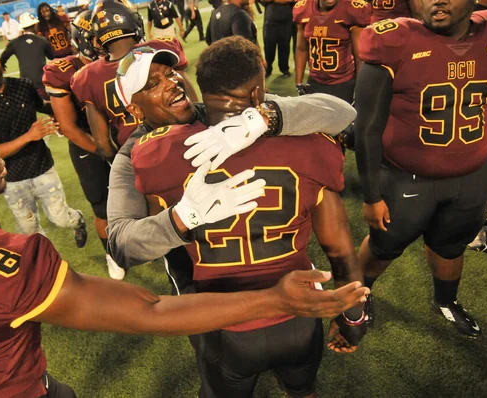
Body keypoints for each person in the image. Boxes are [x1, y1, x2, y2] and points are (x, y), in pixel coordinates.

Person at [0, 106, 370, 398]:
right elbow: (149, 308)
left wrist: (264, 115)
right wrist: (277, 300)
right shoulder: (2, 265)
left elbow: (337, 111)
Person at [128, 37, 366, 397]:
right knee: (303, 391)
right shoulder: (314, 145)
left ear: (201, 90)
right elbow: (341, 250)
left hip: (225, 316)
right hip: (300, 309)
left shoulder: (157, 154)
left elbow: (169, 241)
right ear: (258, 93)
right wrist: (354, 317)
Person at [354, 2, 487, 338]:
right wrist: (371, 196)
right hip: (407, 176)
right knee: (384, 245)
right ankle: (357, 297)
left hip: (472, 174)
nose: (436, 1)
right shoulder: (395, 40)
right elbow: (367, 127)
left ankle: (446, 300)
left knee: (451, 245)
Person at [0, 45, 87, 247]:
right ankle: (49, 266)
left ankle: (79, 220)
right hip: (11, 179)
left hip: (42, 167)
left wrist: (64, 115)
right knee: (31, 231)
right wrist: (30, 136)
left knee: (61, 218)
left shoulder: (23, 85)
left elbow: (43, 106)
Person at [42, 11, 124, 280]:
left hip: (123, 137)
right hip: (89, 145)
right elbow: (68, 127)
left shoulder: (124, 59)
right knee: (102, 206)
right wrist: (107, 153)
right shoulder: (62, 72)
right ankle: (112, 253)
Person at [70, 0, 198, 159]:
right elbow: (193, 105)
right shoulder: (161, 48)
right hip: (184, 140)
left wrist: (123, 163)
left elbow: (104, 145)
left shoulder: (88, 76)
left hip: (137, 154)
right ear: (130, 20)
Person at [293, 0, 371, 103]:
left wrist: (360, 89)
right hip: (314, 81)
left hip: (342, 83)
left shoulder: (351, 10)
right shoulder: (304, 8)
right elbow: (301, 49)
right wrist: (298, 82)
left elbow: (360, 57)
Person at [0, 13, 54, 101]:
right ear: (35, 25)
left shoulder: (15, 43)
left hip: (24, 84)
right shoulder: (42, 40)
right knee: (49, 107)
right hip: (41, 81)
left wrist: (2, 65)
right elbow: (51, 56)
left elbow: (3, 57)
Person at [261, 0, 294, 77]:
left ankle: (284, 69)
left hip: (286, 20)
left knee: (285, 46)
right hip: (271, 21)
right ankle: (267, 69)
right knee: (269, 46)